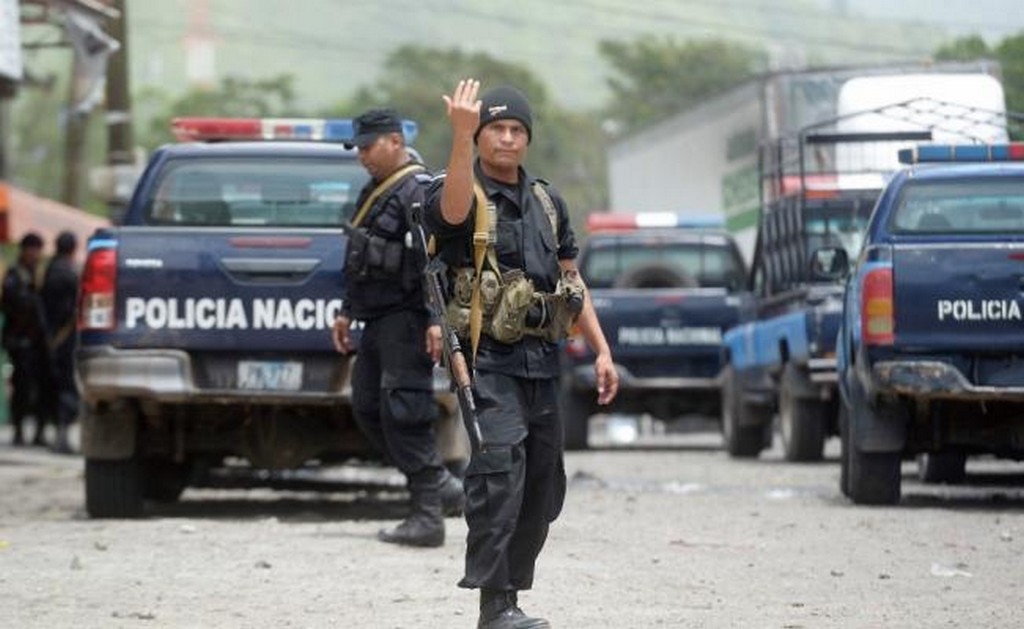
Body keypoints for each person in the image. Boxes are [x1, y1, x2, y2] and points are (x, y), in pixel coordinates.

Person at [424, 80, 619, 628]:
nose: (507, 139)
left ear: (526, 139)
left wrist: (602, 351)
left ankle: (511, 594)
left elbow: (572, 284)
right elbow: (452, 210)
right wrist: (460, 138)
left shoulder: (546, 202)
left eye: (516, 130)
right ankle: (496, 605)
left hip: (542, 363)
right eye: (496, 129)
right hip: (488, 363)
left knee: (543, 486)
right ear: (481, 135)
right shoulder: (462, 190)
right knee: (499, 474)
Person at [331, 108, 465, 548]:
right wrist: (347, 310)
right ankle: (440, 487)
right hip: (376, 318)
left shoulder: (419, 190)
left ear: (394, 141)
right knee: (369, 407)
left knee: (405, 411)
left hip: (407, 319)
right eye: (359, 149)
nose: (362, 157)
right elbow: (361, 256)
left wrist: (434, 319)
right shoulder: (375, 190)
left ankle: (428, 515)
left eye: (368, 147)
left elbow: (438, 262)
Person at [2, 232, 49, 446]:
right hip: (20, 341)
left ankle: (39, 432)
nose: (34, 254)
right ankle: (19, 430)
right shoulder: (15, 275)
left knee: (41, 387)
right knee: (21, 387)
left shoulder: (40, 274)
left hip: (39, 343)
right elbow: (12, 303)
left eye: (37, 250)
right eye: (31, 249)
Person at [41, 231, 81, 454]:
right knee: (66, 387)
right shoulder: (69, 273)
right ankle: (62, 437)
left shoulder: (48, 271)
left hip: (50, 339)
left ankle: (57, 435)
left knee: (53, 386)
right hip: (65, 339)